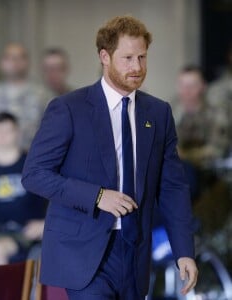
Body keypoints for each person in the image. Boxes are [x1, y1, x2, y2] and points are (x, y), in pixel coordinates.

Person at [22, 16, 198, 300]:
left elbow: (172, 187)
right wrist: (97, 196)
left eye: (142, 57)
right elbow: (34, 174)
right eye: (128, 58)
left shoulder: (159, 113)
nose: (137, 67)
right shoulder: (68, 108)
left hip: (135, 253)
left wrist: (184, 252)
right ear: (105, 56)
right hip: (83, 252)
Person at [0, 112, 47, 265]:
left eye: (7, 131)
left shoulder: (34, 165)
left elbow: (55, 198)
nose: (2, 136)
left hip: (26, 234)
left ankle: (1, 290)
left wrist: (45, 223)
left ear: (18, 133)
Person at [0, 43, 48, 150]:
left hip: (32, 160)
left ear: (28, 62)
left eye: (19, 57)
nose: (14, 62)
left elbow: (51, 132)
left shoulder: (43, 95)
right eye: (9, 57)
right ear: (1, 63)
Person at [172, 66, 229, 167]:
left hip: (208, 170)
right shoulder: (171, 111)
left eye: (192, 85)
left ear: (203, 86)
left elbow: (218, 149)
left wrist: (186, 155)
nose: (186, 91)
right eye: (182, 85)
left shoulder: (216, 113)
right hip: (177, 168)